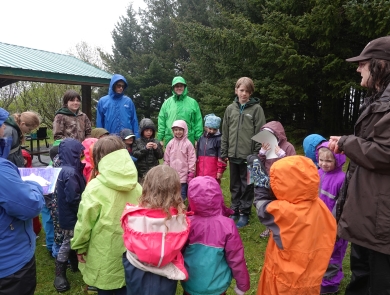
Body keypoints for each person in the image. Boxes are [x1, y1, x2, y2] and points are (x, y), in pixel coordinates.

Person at [328, 36, 390, 294]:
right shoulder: (380, 100)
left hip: (381, 220)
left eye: (362, 64)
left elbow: (386, 153)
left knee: (376, 284)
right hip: (371, 214)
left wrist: (348, 142)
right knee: (362, 277)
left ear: (380, 65)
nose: (357, 69)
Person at [252, 155, 336, 294]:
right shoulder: (319, 205)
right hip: (311, 278)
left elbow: (262, 207)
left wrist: (261, 187)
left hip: (283, 281)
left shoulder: (285, 212)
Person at [71, 136, 142, 295]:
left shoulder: (95, 188)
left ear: (98, 158)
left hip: (104, 253)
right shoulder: (136, 186)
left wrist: (79, 246)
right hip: (132, 253)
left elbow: (84, 222)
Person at [121, 165, 190, 295]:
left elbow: (127, 241)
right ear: (176, 190)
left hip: (136, 271)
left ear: (146, 186)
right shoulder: (181, 221)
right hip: (166, 274)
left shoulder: (131, 216)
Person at [0, 107, 45, 295]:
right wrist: (34, 184)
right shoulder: (2, 170)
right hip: (11, 265)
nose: (3, 130)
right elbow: (30, 205)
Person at [182, 176, 250, 295]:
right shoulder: (227, 225)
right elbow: (236, 257)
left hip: (191, 284)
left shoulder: (186, 223)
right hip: (217, 286)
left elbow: (177, 252)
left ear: (191, 198)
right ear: (218, 196)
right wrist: (242, 285)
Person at [221, 77, 266, 228]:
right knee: (234, 184)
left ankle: (244, 212)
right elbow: (225, 131)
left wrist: (255, 154)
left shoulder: (256, 109)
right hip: (233, 155)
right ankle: (234, 210)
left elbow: (261, 131)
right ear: (236, 91)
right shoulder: (230, 109)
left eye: (247, 91)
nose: (244, 94)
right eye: (241, 90)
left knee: (247, 184)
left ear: (251, 93)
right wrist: (224, 151)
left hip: (249, 156)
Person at [53, 138, 86, 292]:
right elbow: (73, 198)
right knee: (67, 243)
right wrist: (81, 211)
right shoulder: (70, 172)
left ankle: (74, 265)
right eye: (79, 152)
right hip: (71, 215)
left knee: (71, 240)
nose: (82, 155)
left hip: (67, 214)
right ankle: (59, 274)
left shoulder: (67, 169)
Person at [316, 143, 348, 294]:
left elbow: (342, 206)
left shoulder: (342, 179)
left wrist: (334, 227)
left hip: (334, 227)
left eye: (329, 161)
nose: (324, 164)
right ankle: (319, 279)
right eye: (321, 160)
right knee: (320, 254)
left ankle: (330, 287)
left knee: (333, 256)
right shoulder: (318, 173)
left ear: (338, 160)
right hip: (318, 224)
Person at [257, 121, 296, 238]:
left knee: (283, 205)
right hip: (270, 181)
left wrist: (282, 155)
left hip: (284, 182)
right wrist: (262, 154)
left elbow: (294, 165)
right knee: (271, 205)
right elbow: (261, 164)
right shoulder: (266, 146)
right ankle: (270, 228)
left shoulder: (288, 147)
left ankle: (284, 227)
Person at [157, 76, 203, 147]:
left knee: (188, 157)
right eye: (176, 86)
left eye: (181, 86)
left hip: (188, 139)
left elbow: (198, 121)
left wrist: (198, 138)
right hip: (171, 138)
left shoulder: (193, 102)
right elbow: (161, 121)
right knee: (171, 158)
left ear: (184, 87)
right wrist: (160, 138)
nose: (179, 88)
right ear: (173, 88)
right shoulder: (167, 103)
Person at [164, 120, 196, 200]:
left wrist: (191, 172)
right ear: (173, 131)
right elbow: (166, 158)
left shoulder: (188, 144)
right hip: (172, 174)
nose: (178, 132)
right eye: (176, 130)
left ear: (184, 130)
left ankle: (181, 207)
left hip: (184, 175)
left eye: (180, 130)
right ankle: (173, 207)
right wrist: (165, 170)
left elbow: (192, 158)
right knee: (172, 192)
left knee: (182, 193)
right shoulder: (170, 143)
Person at [196, 113, 227, 184]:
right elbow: (197, 155)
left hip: (213, 173)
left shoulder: (219, 139)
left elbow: (221, 156)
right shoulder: (201, 138)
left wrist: (220, 170)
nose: (212, 131)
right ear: (205, 127)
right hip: (200, 171)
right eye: (210, 129)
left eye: (214, 129)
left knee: (212, 190)